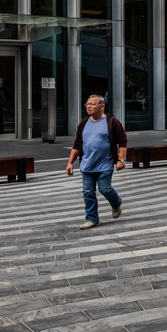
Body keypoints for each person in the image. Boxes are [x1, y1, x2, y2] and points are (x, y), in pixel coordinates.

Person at [65, 93, 126, 230]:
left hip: (105, 163)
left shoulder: (112, 122)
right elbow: (77, 145)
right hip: (87, 164)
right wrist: (70, 162)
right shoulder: (83, 123)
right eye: (87, 104)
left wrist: (121, 160)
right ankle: (92, 219)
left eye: (92, 104)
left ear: (102, 106)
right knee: (88, 192)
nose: (88, 107)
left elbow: (122, 141)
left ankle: (116, 203)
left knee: (105, 189)